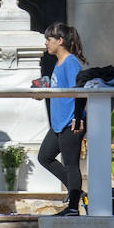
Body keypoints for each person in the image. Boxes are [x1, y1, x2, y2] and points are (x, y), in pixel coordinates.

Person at [37, 21, 88, 216]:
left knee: (71, 165)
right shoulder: (58, 64)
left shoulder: (71, 62)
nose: (46, 43)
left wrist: (78, 118)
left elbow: (80, 91)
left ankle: (73, 208)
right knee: (45, 157)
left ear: (60, 40)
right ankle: (77, 192)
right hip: (58, 124)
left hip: (70, 123)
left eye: (49, 39)